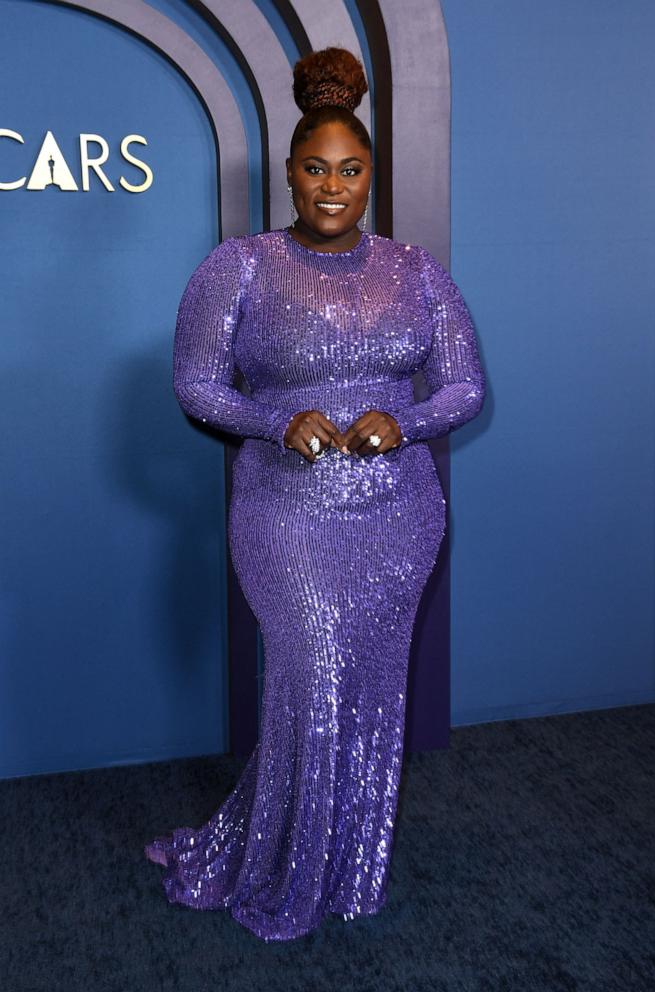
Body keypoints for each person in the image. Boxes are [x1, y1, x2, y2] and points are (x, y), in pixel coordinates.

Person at [144, 46, 486, 942]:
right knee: (313, 680)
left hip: (398, 513)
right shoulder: (240, 266)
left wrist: (401, 422)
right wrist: (271, 422)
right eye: (313, 168)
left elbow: (464, 388)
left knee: (369, 691)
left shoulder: (415, 269)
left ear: (370, 174)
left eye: (350, 169)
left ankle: (348, 868)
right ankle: (282, 864)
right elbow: (195, 384)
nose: (332, 185)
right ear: (288, 174)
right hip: (285, 511)